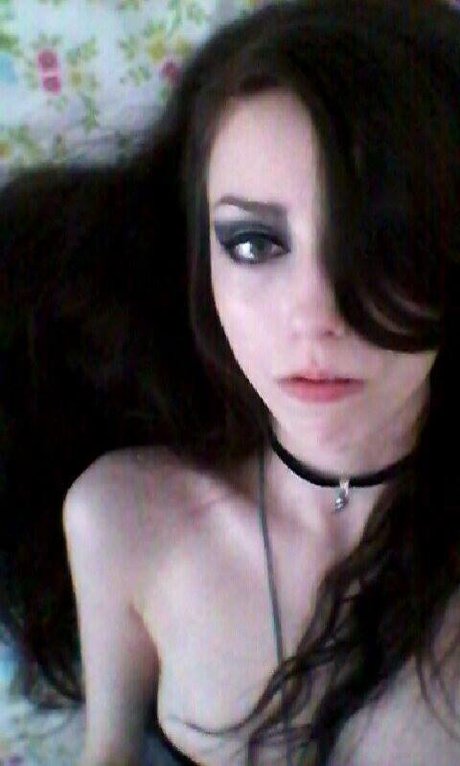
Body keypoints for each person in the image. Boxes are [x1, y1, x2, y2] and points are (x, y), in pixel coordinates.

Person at [3, 0, 460, 764]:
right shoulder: (123, 520)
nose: (315, 316)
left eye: (387, 240)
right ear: (201, 262)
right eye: (254, 243)